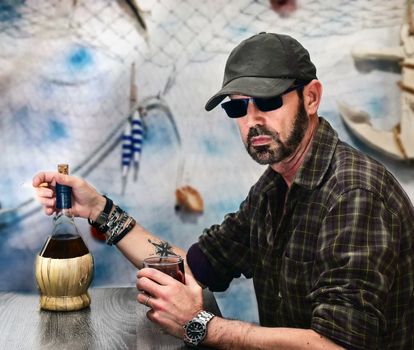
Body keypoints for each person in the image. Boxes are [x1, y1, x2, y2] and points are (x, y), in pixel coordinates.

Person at [33, 32, 414, 349]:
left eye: (267, 101)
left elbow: (337, 345)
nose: (253, 120)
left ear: (311, 97)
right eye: (238, 108)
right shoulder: (274, 189)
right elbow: (192, 268)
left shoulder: (355, 195)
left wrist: (200, 326)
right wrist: (100, 210)